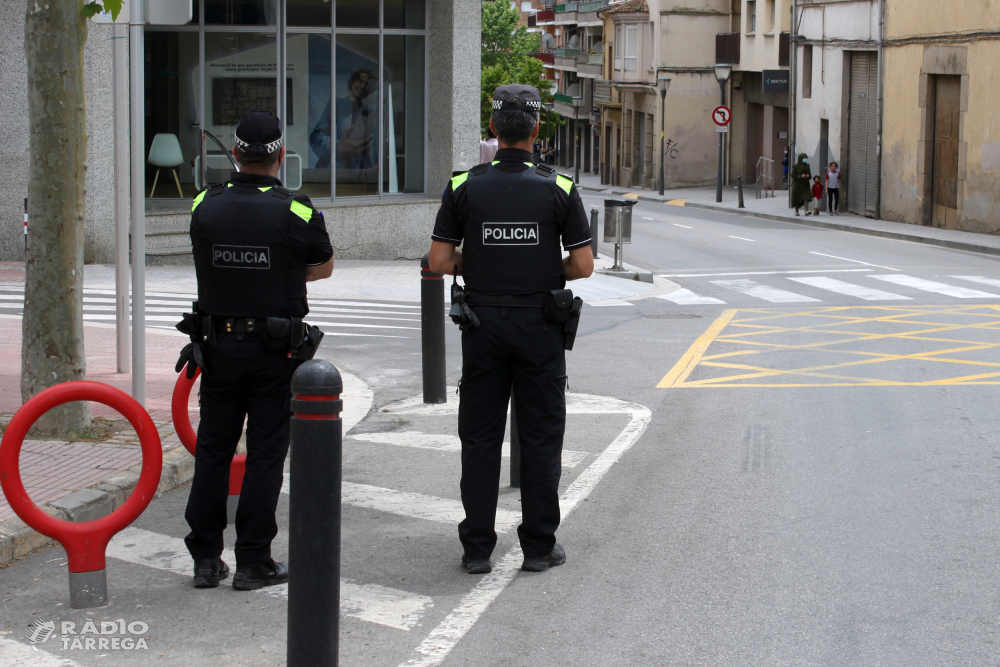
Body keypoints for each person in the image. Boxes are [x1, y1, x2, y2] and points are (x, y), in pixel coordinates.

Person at [427, 84, 595, 575]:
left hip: (482, 327)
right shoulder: (559, 189)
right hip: (540, 327)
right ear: (537, 131)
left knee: (479, 437)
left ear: (494, 130)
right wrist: (542, 267)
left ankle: (477, 548)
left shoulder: (463, 186)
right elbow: (583, 265)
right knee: (541, 438)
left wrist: (479, 261)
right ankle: (539, 548)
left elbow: (439, 260)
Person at [182, 111, 334, 591]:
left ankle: (205, 559)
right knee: (266, 454)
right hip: (274, 353)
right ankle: (252, 560)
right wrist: (280, 274)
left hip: (218, 347)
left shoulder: (205, 202)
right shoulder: (298, 210)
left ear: (235, 152)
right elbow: (323, 266)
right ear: (281, 155)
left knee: (213, 450)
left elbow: (207, 259)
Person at [309, 68, 376, 170]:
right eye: (360, 81)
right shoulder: (335, 105)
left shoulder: (370, 113)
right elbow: (316, 137)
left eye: (366, 84)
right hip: (333, 170)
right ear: (352, 82)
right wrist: (338, 148)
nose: (362, 86)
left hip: (360, 173)